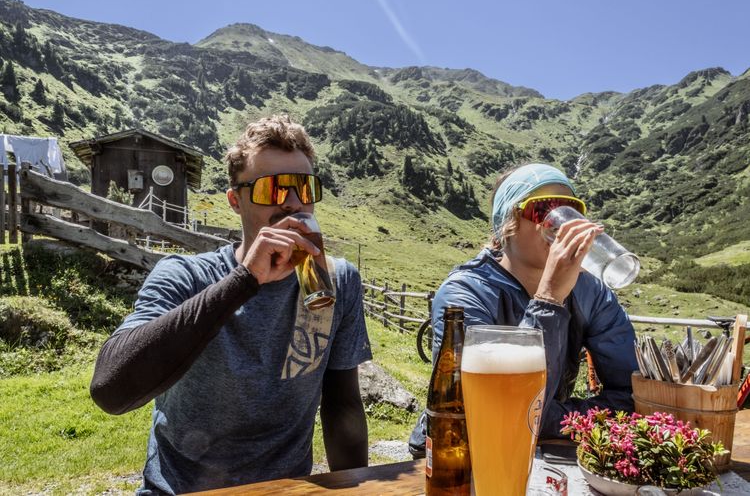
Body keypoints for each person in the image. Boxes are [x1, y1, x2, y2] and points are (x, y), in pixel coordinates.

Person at [90, 115, 372, 494]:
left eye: (303, 188)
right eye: (271, 190)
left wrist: (356, 489)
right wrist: (244, 281)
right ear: (235, 201)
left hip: (284, 490)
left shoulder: (338, 281)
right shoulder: (186, 276)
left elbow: (343, 405)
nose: (291, 204)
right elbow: (110, 389)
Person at [409, 162, 638, 455]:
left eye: (572, 210)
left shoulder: (591, 291)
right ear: (507, 224)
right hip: (458, 454)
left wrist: (551, 418)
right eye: (543, 210)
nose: (563, 225)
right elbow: (490, 414)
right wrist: (549, 298)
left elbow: (630, 395)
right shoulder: (465, 294)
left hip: (542, 448)